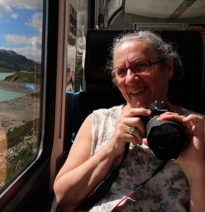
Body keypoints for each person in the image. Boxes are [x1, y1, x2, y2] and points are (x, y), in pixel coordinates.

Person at [53, 31, 205, 211]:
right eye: (121, 71)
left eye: (141, 65)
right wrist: (111, 149)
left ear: (168, 68)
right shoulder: (98, 121)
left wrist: (196, 170)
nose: (131, 78)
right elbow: (63, 199)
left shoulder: (196, 129)